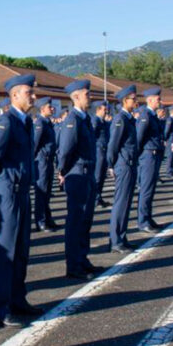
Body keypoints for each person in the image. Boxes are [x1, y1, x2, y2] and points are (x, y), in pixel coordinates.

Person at [0, 74, 44, 326]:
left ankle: (18, 299)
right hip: (8, 190)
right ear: (15, 95)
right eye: (29, 93)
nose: (34, 97)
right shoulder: (6, 122)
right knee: (5, 252)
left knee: (21, 250)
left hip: (21, 191)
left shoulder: (25, 122)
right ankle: (0, 308)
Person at [57, 80, 99, 280]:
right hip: (77, 174)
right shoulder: (72, 120)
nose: (90, 96)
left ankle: (82, 258)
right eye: (87, 94)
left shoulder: (85, 119)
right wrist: (62, 170)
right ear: (76, 97)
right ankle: (73, 264)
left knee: (86, 220)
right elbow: (65, 150)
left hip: (88, 173)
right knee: (76, 220)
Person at [107, 85, 139, 253]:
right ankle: (115, 240)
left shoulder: (129, 118)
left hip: (131, 163)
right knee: (120, 203)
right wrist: (111, 164)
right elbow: (113, 144)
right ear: (125, 101)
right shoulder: (120, 119)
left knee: (126, 203)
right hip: (124, 164)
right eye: (133, 99)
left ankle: (122, 236)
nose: (136, 102)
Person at [136, 87, 164, 234]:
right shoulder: (145, 115)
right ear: (150, 100)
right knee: (146, 189)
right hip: (148, 155)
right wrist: (140, 156)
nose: (160, 101)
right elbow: (139, 138)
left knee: (151, 189)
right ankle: (143, 221)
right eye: (158, 99)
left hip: (154, 154)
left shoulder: (152, 115)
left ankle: (148, 217)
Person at [33, 97, 58, 233]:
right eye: (50, 107)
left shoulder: (47, 123)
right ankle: (40, 221)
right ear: (42, 109)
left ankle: (48, 219)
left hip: (48, 161)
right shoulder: (40, 123)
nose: (52, 109)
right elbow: (34, 145)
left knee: (47, 192)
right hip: (42, 161)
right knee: (41, 192)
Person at [92, 101, 110, 208]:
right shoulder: (95, 121)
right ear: (98, 109)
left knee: (102, 176)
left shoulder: (103, 122)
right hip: (98, 151)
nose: (106, 111)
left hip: (104, 151)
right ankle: (94, 198)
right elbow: (92, 137)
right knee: (97, 176)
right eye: (104, 109)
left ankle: (99, 197)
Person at [164, 105, 173, 178]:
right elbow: (167, 131)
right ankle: (169, 172)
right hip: (170, 140)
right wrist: (165, 139)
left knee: (172, 157)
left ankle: (171, 170)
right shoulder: (170, 119)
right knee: (170, 156)